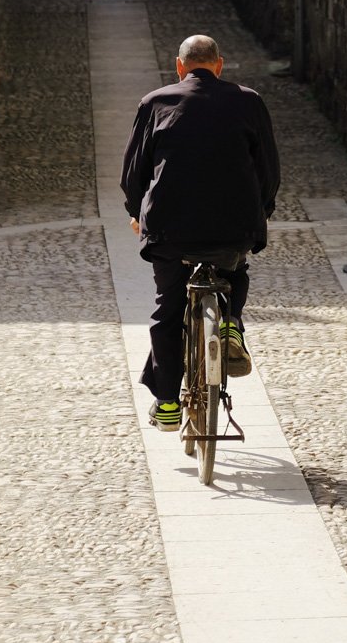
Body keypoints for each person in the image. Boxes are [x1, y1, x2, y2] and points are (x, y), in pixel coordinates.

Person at [120, 33, 281, 431]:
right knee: (235, 269)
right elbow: (268, 169)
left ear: (180, 66)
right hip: (234, 226)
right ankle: (230, 323)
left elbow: (134, 172)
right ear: (219, 65)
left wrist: (136, 213)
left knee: (168, 310)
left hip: (169, 230)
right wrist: (261, 211)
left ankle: (167, 404)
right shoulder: (249, 101)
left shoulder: (155, 103)